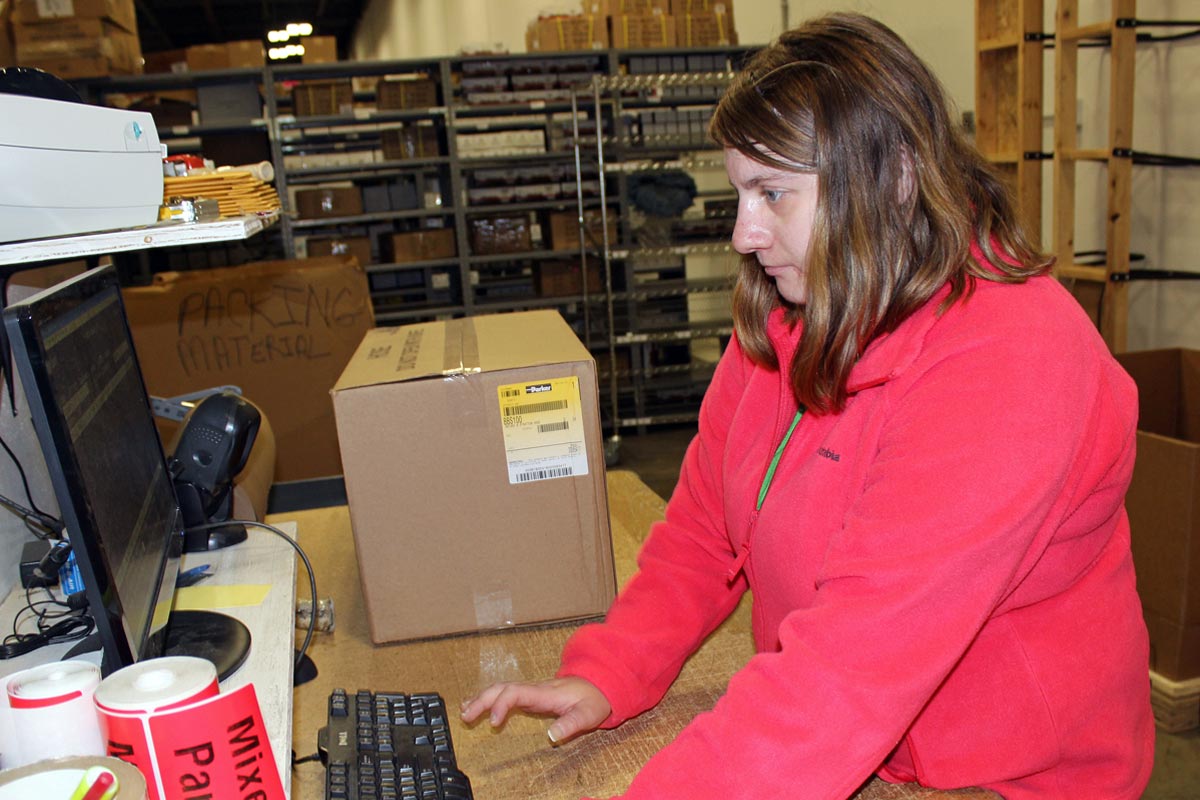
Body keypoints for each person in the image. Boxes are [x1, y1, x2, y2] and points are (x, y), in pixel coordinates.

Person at [461, 12, 1155, 799]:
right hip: (847, 743)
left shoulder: (1012, 360)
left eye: (772, 194)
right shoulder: (795, 313)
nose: (742, 233)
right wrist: (613, 668)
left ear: (894, 176)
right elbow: (702, 529)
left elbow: (856, 663)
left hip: (1002, 779)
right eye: (738, 193)